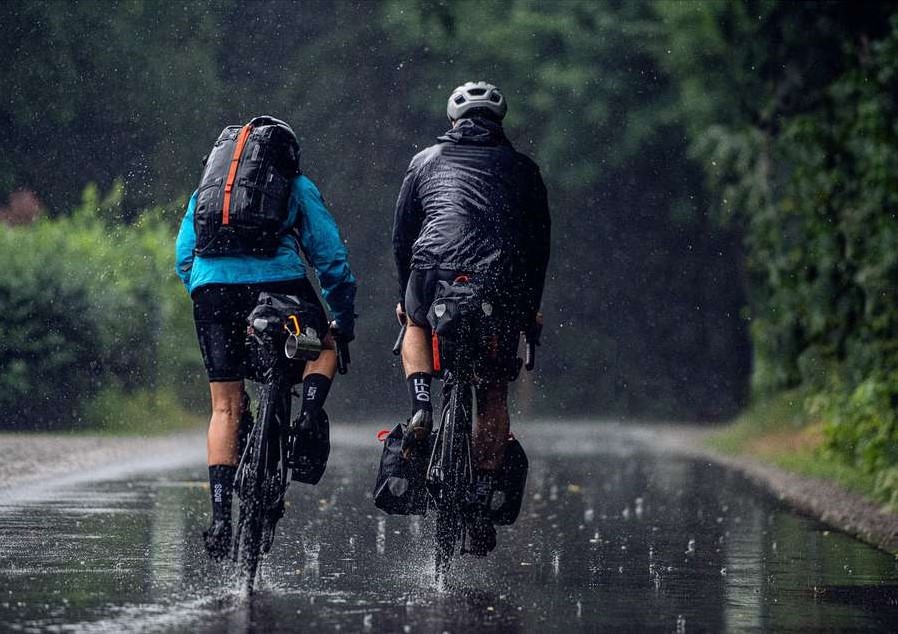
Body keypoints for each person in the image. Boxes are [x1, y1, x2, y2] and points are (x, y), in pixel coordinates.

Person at [175, 122, 356, 561]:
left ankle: (221, 518)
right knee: (324, 347)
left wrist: (212, 294)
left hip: (213, 293)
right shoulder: (296, 185)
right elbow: (331, 259)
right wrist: (342, 319)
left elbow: (184, 259)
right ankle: (307, 416)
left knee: (225, 408)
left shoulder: (209, 191)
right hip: (282, 288)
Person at [392, 81, 551, 555]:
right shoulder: (524, 169)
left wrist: (405, 293)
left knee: (415, 323)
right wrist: (529, 308)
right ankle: (481, 496)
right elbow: (538, 248)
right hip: (498, 282)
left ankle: (422, 404)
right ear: (500, 123)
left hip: (433, 271)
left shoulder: (424, 161)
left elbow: (402, 236)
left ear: (453, 121)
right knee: (493, 390)